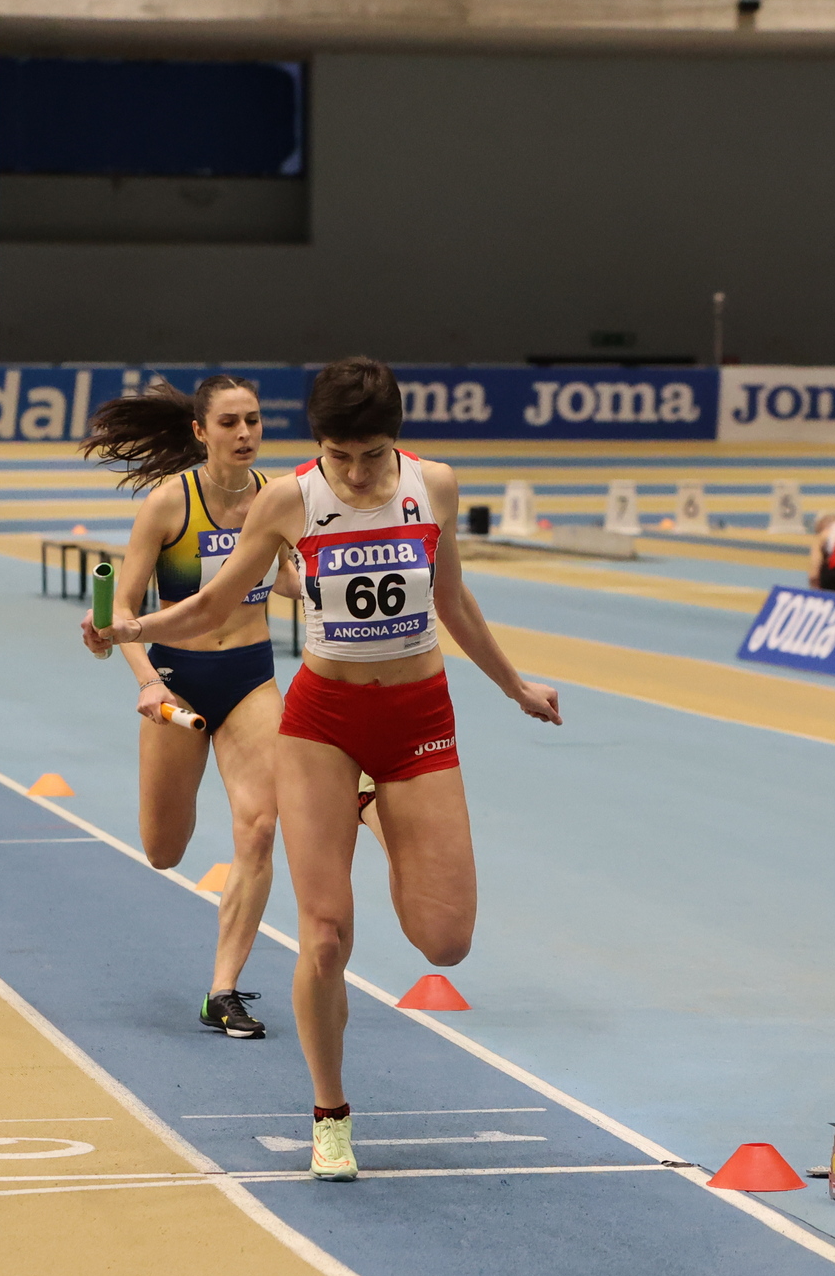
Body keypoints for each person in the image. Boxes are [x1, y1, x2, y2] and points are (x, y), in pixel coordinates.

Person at [84, 357, 562, 1182]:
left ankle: (378, 812)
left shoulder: (434, 487)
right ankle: (330, 1115)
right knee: (327, 936)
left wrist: (515, 684)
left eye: (372, 456)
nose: (358, 473)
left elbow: (452, 601)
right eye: (340, 456)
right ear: (318, 445)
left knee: (445, 939)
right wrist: (133, 632)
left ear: (396, 442)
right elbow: (212, 601)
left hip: (417, 719)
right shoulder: (289, 499)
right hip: (321, 726)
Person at [79, 375, 301, 1042]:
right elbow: (123, 609)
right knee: (164, 849)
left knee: (259, 827)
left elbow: (289, 578)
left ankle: (222, 989)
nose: (245, 434)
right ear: (201, 432)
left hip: (251, 678)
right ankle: (219, 974)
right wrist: (147, 680)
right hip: (176, 680)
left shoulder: (278, 498)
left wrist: (307, 579)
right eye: (230, 422)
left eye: (253, 420)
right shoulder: (169, 504)